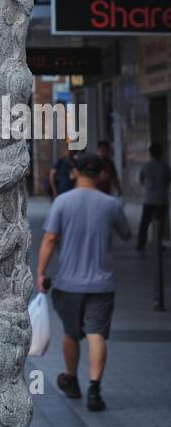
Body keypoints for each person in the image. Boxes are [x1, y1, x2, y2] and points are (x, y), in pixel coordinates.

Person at [37, 151, 131, 412]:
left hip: (69, 284)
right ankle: (94, 389)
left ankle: (72, 380)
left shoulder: (62, 202)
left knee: (70, 334)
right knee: (97, 334)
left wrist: (41, 273)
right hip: (102, 284)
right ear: (101, 174)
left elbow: (49, 239)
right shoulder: (110, 204)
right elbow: (125, 233)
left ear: (75, 172)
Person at [136, 142, 171, 252]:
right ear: (161, 153)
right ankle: (158, 244)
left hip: (149, 199)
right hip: (161, 199)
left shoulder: (146, 166)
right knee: (160, 224)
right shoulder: (165, 166)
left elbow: (141, 180)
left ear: (150, 153)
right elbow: (168, 180)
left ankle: (140, 245)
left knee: (144, 223)